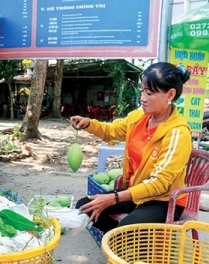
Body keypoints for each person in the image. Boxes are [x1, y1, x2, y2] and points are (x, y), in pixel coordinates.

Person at [70, 62, 192, 233]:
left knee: (126, 228)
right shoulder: (138, 117)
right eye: (142, 90)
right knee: (85, 206)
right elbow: (112, 131)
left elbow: (160, 183)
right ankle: (119, 240)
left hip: (164, 200)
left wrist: (114, 198)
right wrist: (88, 124)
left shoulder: (177, 133)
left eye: (149, 93)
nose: (142, 97)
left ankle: (124, 239)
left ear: (170, 94)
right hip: (136, 192)